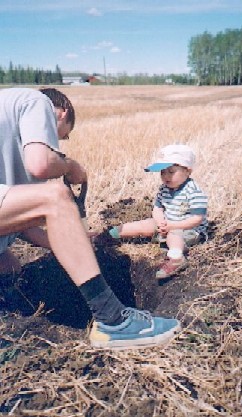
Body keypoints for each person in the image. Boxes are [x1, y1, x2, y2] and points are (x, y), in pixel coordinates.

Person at [0, 87, 180, 349]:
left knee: (9, 267)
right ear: (61, 114)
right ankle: (113, 321)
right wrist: (71, 166)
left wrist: (73, 239)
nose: (58, 143)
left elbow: (23, 226)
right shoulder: (36, 101)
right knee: (56, 197)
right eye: (64, 136)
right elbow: (40, 163)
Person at [109, 144, 208, 280]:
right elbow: (157, 208)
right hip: (167, 224)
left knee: (174, 234)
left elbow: (197, 219)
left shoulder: (194, 191)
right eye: (162, 172)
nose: (166, 176)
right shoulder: (164, 189)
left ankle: (176, 258)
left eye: (171, 171)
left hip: (187, 230)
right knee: (145, 224)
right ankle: (109, 234)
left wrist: (173, 226)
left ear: (188, 171)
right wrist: (160, 220)